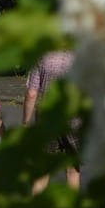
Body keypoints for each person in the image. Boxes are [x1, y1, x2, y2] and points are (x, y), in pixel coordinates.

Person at [23, 50, 80, 193]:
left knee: (42, 172)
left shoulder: (42, 56)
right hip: (72, 118)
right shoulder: (78, 55)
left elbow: (31, 93)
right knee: (72, 171)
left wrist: (25, 122)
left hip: (46, 119)